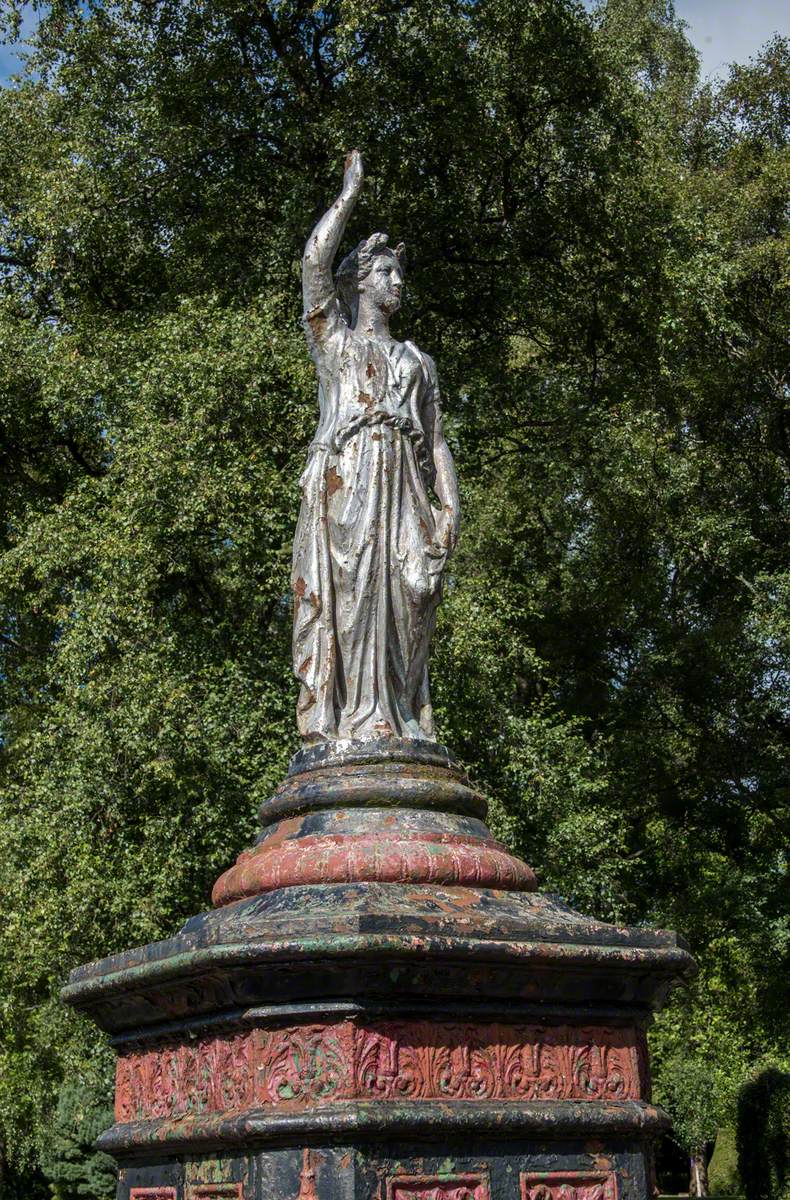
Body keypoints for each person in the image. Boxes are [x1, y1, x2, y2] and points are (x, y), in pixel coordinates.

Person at [292, 150, 460, 742]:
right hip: (351, 483)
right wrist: (348, 195)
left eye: (398, 274)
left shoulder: (418, 362)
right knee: (354, 601)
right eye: (386, 272)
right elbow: (313, 264)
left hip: (407, 489)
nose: (398, 283)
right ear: (360, 280)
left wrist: (451, 504)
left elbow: (436, 440)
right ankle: (354, 721)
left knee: (413, 592)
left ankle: (401, 715)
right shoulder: (336, 345)